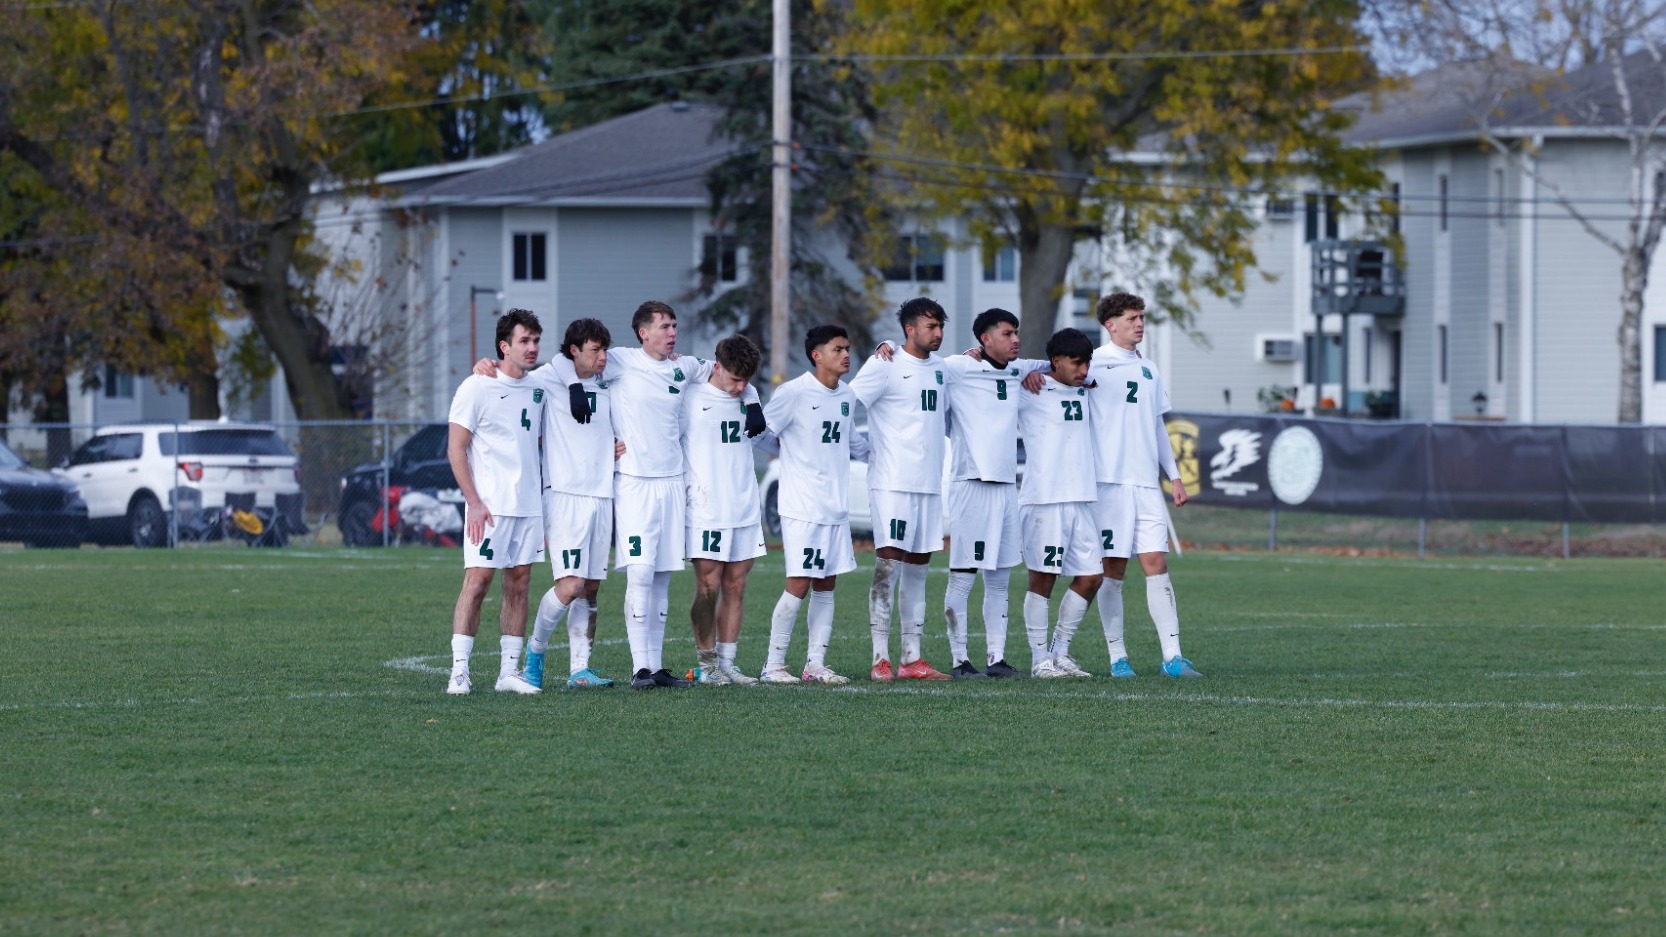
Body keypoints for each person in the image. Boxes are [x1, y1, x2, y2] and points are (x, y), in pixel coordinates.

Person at [609, 301, 762, 690]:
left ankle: (659, 668)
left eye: (674, 324)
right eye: (663, 325)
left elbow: (732, 372)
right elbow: (574, 366)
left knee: (663, 577)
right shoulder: (621, 361)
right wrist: (599, 442)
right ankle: (642, 668)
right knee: (645, 575)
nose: (672, 331)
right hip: (641, 484)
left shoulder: (685, 368)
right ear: (643, 331)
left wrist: (753, 399)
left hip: (675, 485)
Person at [1086, 292, 1200, 679]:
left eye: (1141, 317)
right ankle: (1118, 657)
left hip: (1145, 486)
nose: (1139, 323)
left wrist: (1175, 476)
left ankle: (1173, 656)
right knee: (1113, 569)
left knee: (1157, 562)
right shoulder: (1093, 366)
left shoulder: (1150, 368)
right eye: (1132, 318)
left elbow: (1156, 427)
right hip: (1109, 485)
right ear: (1110, 324)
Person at [754, 325, 870, 685]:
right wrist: (786, 454)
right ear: (816, 355)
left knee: (826, 584)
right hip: (802, 506)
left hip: (834, 507)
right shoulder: (794, 392)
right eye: (837, 349)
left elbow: (857, 446)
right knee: (799, 582)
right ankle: (773, 665)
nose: (846, 355)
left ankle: (814, 664)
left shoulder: (847, 395)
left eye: (847, 348)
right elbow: (760, 431)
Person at [848, 297, 954, 682]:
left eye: (940, 326)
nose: (938, 333)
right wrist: (863, 451)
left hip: (928, 484)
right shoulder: (885, 363)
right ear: (909, 330)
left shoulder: (943, 368)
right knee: (887, 567)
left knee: (919, 571)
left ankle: (912, 658)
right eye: (930, 326)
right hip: (892, 483)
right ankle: (881, 658)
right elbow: (845, 404)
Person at [445, 309, 546, 695]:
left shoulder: (541, 388)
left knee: (519, 584)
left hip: (528, 506)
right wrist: (473, 501)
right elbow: (456, 448)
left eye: (536, 340)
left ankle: (508, 674)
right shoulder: (477, 386)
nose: (532, 347)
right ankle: (459, 672)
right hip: (488, 507)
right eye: (524, 340)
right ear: (504, 346)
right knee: (477, 582)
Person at [521, 318, 620, 690]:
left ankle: (580, 670)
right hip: (564, 494)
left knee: (591, 586)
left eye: (605, 349)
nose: (603, 357)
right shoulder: (550, 377)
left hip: (602, 494)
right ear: (574, 350)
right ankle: (535, 653)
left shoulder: (609, 380)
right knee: (571, 584)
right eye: (595, 349)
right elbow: (536, 366)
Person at [1015, 328, 1104, 677]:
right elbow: (995, 369)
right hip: (1044, 499)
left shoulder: (1086, 388)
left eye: (1087, 362)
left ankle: (1060, 653)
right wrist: (1029, 371)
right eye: (1077, 362)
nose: (1083, 369)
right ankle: (1040, 660)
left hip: (1080, 497)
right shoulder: (1030, 390)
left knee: (1092, 576)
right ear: (1056, 362)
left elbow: (1101, 376)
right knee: (1044, 577)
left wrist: (1084, 377)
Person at [681, 335, 769, 686]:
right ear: (716, 367)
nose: (740, 387)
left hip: (744, 503)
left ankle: (728, 663)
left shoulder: (749, 396)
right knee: (708, 586)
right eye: (734, 378)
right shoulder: (689, 396)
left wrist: (751, 396)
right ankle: (706, 664)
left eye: (746, 381)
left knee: (736, 586)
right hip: (705, 506)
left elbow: (750, 393)